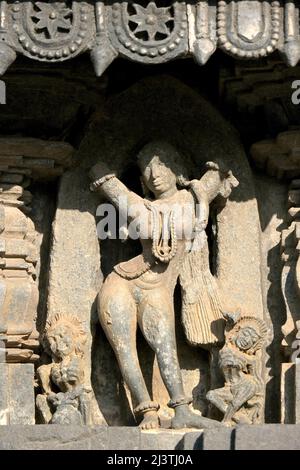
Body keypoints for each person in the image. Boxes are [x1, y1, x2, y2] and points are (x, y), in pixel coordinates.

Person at [89, 140, 237, 429]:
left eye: (162, 164)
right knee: (125, 350)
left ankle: (182, 410)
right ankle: (147, 412)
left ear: (177, 167)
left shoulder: (193, 198)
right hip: (120, 283)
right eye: (146, 167)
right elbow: (104, 179)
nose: (154, 172)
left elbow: (222, 166)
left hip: (158, 288)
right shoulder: (140, 205)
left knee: (164, 344)